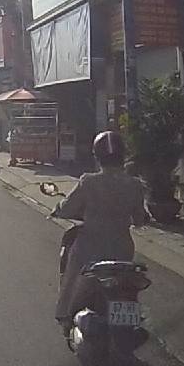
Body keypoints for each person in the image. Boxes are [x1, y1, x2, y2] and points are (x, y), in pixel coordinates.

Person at [50, 130, 147, 335]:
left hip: (90, 248)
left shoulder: (88, 182)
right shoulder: (135, 185)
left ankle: (66, 317)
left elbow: (68, 208)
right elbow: (140, 219)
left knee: (72, 277)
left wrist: (58, 209)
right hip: (122, 249)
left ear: (97, 157)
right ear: (122, 155)